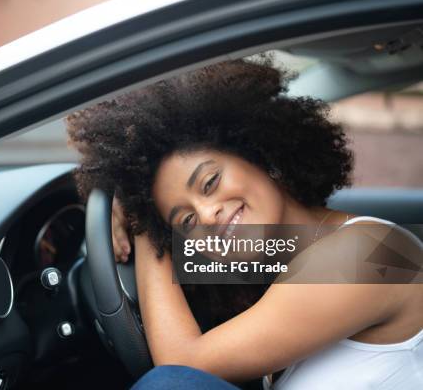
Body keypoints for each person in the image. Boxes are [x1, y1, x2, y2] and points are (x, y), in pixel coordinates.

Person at [65, 56, 423, 389]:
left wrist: (143, 222)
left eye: (210, 182)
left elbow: (179, 369)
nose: (206, 216)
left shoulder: (367, 254)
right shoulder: (284, 274)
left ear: (260, 155)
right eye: (186, 220)